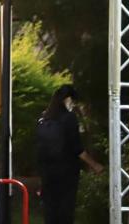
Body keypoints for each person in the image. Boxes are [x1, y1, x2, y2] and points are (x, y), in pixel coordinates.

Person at [36, 84, 104, 224]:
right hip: (66, 172)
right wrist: (95, 165)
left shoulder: (44, 118)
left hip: (47, 173)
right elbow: (77, 148)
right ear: (67, 99)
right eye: (73, 101)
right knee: (65, 210)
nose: (73, 105)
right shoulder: (69, 118)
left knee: (50, 210)